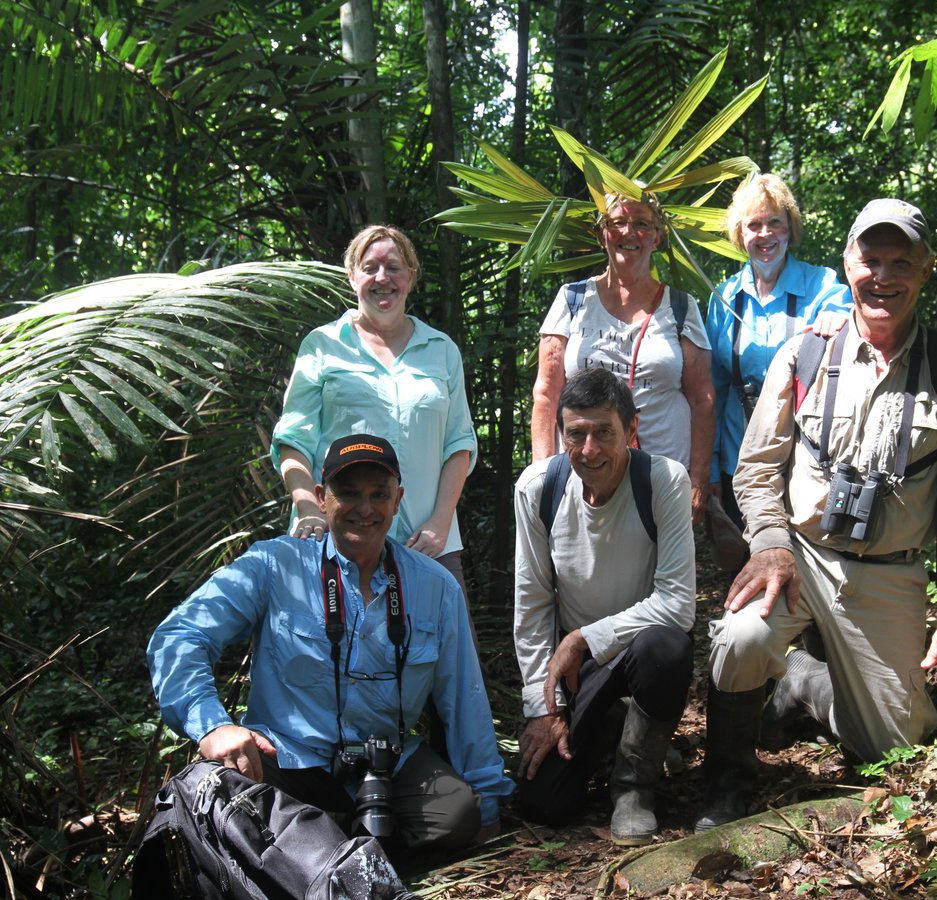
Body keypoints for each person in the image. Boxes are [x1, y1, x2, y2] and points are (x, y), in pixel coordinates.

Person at [696, 199, 937, 830]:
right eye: (871, 259)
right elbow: (755, 467)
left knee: (897, 755)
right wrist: (771, 543)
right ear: (847, 263)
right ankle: (726, 779)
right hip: (800, 560)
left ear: (926, 271)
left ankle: (804, 682)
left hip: (889, 575)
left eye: (901, 262)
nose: (883, 277)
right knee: (740, 638)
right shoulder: (804, 355)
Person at [148, 434, 512, 850]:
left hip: (384, 762)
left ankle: (325, 859)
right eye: (348, 493)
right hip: (286, 757)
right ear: (322, 497)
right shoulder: (274, 565)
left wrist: (488, 806)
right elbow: (179, 635)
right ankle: (319, 857)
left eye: (379, 494)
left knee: (456, 813)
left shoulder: (435, 588)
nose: (364, 508)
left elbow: (464, 698)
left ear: (398, 500)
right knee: (223, 798)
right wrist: (212, 724)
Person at [514, 368, 696, 846]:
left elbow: (677, 604)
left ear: (631, 431)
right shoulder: (539, 488)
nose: (589, 450)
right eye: (576, 434)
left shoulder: (662, 481)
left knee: (667, 647)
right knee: (544, 804)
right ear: (561, 435)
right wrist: (542, 707)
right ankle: (613, 729)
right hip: (579, 672)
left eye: (604, 433)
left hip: (639, 653)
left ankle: (635, 786)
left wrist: (583, 637)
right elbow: (531, 605)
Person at [272, 225, 476, 599]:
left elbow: (459, 444)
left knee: (440, 655)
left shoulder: (442, 350)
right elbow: (292, 441)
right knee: (324, 653)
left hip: (426, 544)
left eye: (394, 267)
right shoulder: (322, 346)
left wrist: (439, 524)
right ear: (352, 277)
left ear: (410, 278)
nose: (383, 277)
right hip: (332, 538)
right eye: (370, 268)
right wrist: (308, 510)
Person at [530, 191, 715, 523]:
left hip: (660, 479)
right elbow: (547, 392)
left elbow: (702, 398)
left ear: (658, 237)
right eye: (618, 223)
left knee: (661, 574)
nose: (629, 233)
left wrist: (698, 479)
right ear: (603, 234)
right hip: (583, 474)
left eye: (642, 223)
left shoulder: (680, 307)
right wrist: (543, 472)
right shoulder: (572, 301)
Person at [705, 174, 851, 567]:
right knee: (750, 565)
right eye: (754, 224)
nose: (765, 234)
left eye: (775, 223)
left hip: (807, 456)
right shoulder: (723, 298)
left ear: (791, 228)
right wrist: (712, 467)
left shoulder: (824, 286)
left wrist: (841, 321)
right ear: (740, 232)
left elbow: (854, 324)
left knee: (808, 566)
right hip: (740, 456)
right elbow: (712, 389)